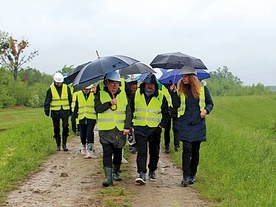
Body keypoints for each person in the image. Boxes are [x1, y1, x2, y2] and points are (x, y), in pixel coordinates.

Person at [176, 66, 214, 187]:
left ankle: (193, 175)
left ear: (192, 77)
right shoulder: (180, 90)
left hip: (198, 123)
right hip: (185, 123)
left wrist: (206, 111)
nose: (183, 79)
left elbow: (210, 103)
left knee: (195, 151)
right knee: (186, 149)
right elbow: (175, 104)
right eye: (182, 77)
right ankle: (185, 176)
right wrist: (173, 92)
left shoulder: (203, 90)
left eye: (185, 76)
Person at [94, 71, 131, 187]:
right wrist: (109, 103)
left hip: (119, 130)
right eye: (112, 83)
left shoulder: (123, 94)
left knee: (118, 152)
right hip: (105, 130)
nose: (115, 86)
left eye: (117, 83)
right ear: (107, 82)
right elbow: (98, 109)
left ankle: (116, 171)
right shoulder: (100, 94)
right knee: (107, 153)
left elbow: (128, 111)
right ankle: (108, 177)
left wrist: (127, 126)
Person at [132, 73, 169, 185]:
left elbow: (166, 113)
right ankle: (142, 173)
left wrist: (161, 125)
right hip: (140, 126)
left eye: (152, 84)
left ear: (155, 85)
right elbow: (130, 109)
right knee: (142, 151)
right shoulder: (137, 94)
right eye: (148, 84)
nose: (150, 86)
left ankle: (152, 170)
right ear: (144, 84)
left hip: (154, 128)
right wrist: (129, 125)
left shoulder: (161, 96)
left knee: (154, 151)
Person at [44, 72, 72, 151]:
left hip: (65, 111)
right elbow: (47, 101)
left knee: (65, 127)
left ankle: (64, 144)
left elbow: (70, 100)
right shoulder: (50, 89)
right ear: (55, 81)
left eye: (60, 82)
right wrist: (47, 110)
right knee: (56, 128)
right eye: (57, 82)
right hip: (55, 112)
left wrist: (71, 109)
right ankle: (58, 144)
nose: (59, 84)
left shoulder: (67, 88)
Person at [72, 84, 97, 158]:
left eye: (88, 89)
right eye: (85, 89)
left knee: (89, 133)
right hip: (82, 117)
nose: (86, 90)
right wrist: (74, 117)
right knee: (82, 133)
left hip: (91, 117)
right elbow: (76, 107)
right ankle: (83, 146)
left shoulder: (94, 95)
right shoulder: (78, 95)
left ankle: (90, 149)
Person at [163, 82, 180, 153]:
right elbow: (164, 96)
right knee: (167, 129)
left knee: (176, 128)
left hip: (177, 110)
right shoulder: (164, 85)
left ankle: (177, 145)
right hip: (168, 110)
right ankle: (167, 145)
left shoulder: (180, 85)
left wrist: (177, 90)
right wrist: (170, 90)